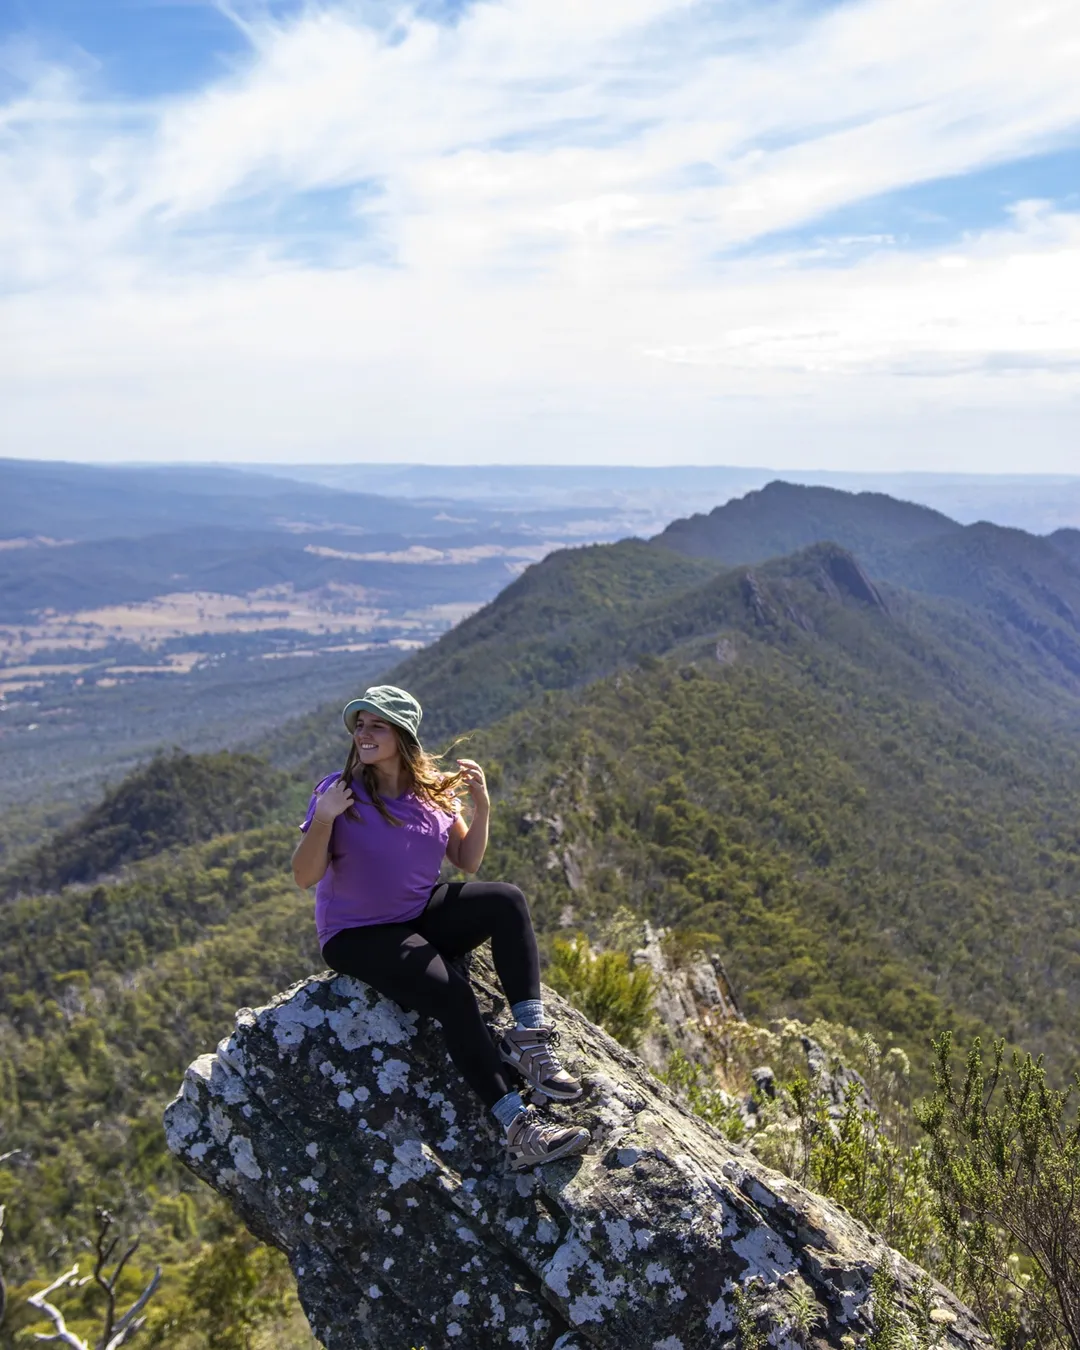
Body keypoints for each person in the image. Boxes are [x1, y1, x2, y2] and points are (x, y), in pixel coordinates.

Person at [291, 683, 590, 1171]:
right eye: (360, 725)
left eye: (377, 725)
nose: (364, 734)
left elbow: (467, 861)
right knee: (453, 994)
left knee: (506, 900)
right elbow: (305, 877)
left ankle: (529, 1039)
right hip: (356, 934)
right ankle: (519, 1128)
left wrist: (482, 806)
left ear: (402, 735)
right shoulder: (339, 793)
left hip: (415, 914)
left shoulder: (432, 795)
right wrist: (324, 819)